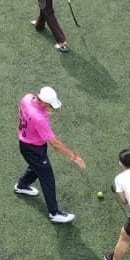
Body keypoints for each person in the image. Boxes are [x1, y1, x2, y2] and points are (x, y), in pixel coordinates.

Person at [14, 86, 85, 224]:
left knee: (36, 168)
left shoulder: (27, 98)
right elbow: (56, 144)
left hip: (27, 143)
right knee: (48, 180)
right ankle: (54, 213)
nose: (51, 107)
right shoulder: (40, 119)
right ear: (45, 102)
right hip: (33, 149)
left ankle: (22, 185)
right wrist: (74, 157)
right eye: (50, 105)